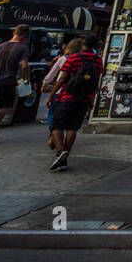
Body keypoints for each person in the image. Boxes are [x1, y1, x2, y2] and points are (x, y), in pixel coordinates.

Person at [47, 35, 104, 171]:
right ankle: (64, 155)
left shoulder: (73, 58)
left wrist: (51, 95)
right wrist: (91, 99)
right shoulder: (98, 60)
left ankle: (61, 151)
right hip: (84, 98)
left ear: (83, 44)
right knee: (72, 128)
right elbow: (96, 81)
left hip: (67, 96)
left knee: (56, 126)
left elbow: (62, 79)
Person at [41, 39, 85, 150]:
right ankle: (64, 149)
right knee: (71, 125)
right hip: (77, 94)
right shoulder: (83, 60)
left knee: (53, 115)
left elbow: (51, 75)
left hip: (60, 92)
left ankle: (53, 137)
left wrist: (45, 85)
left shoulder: (63, 59)